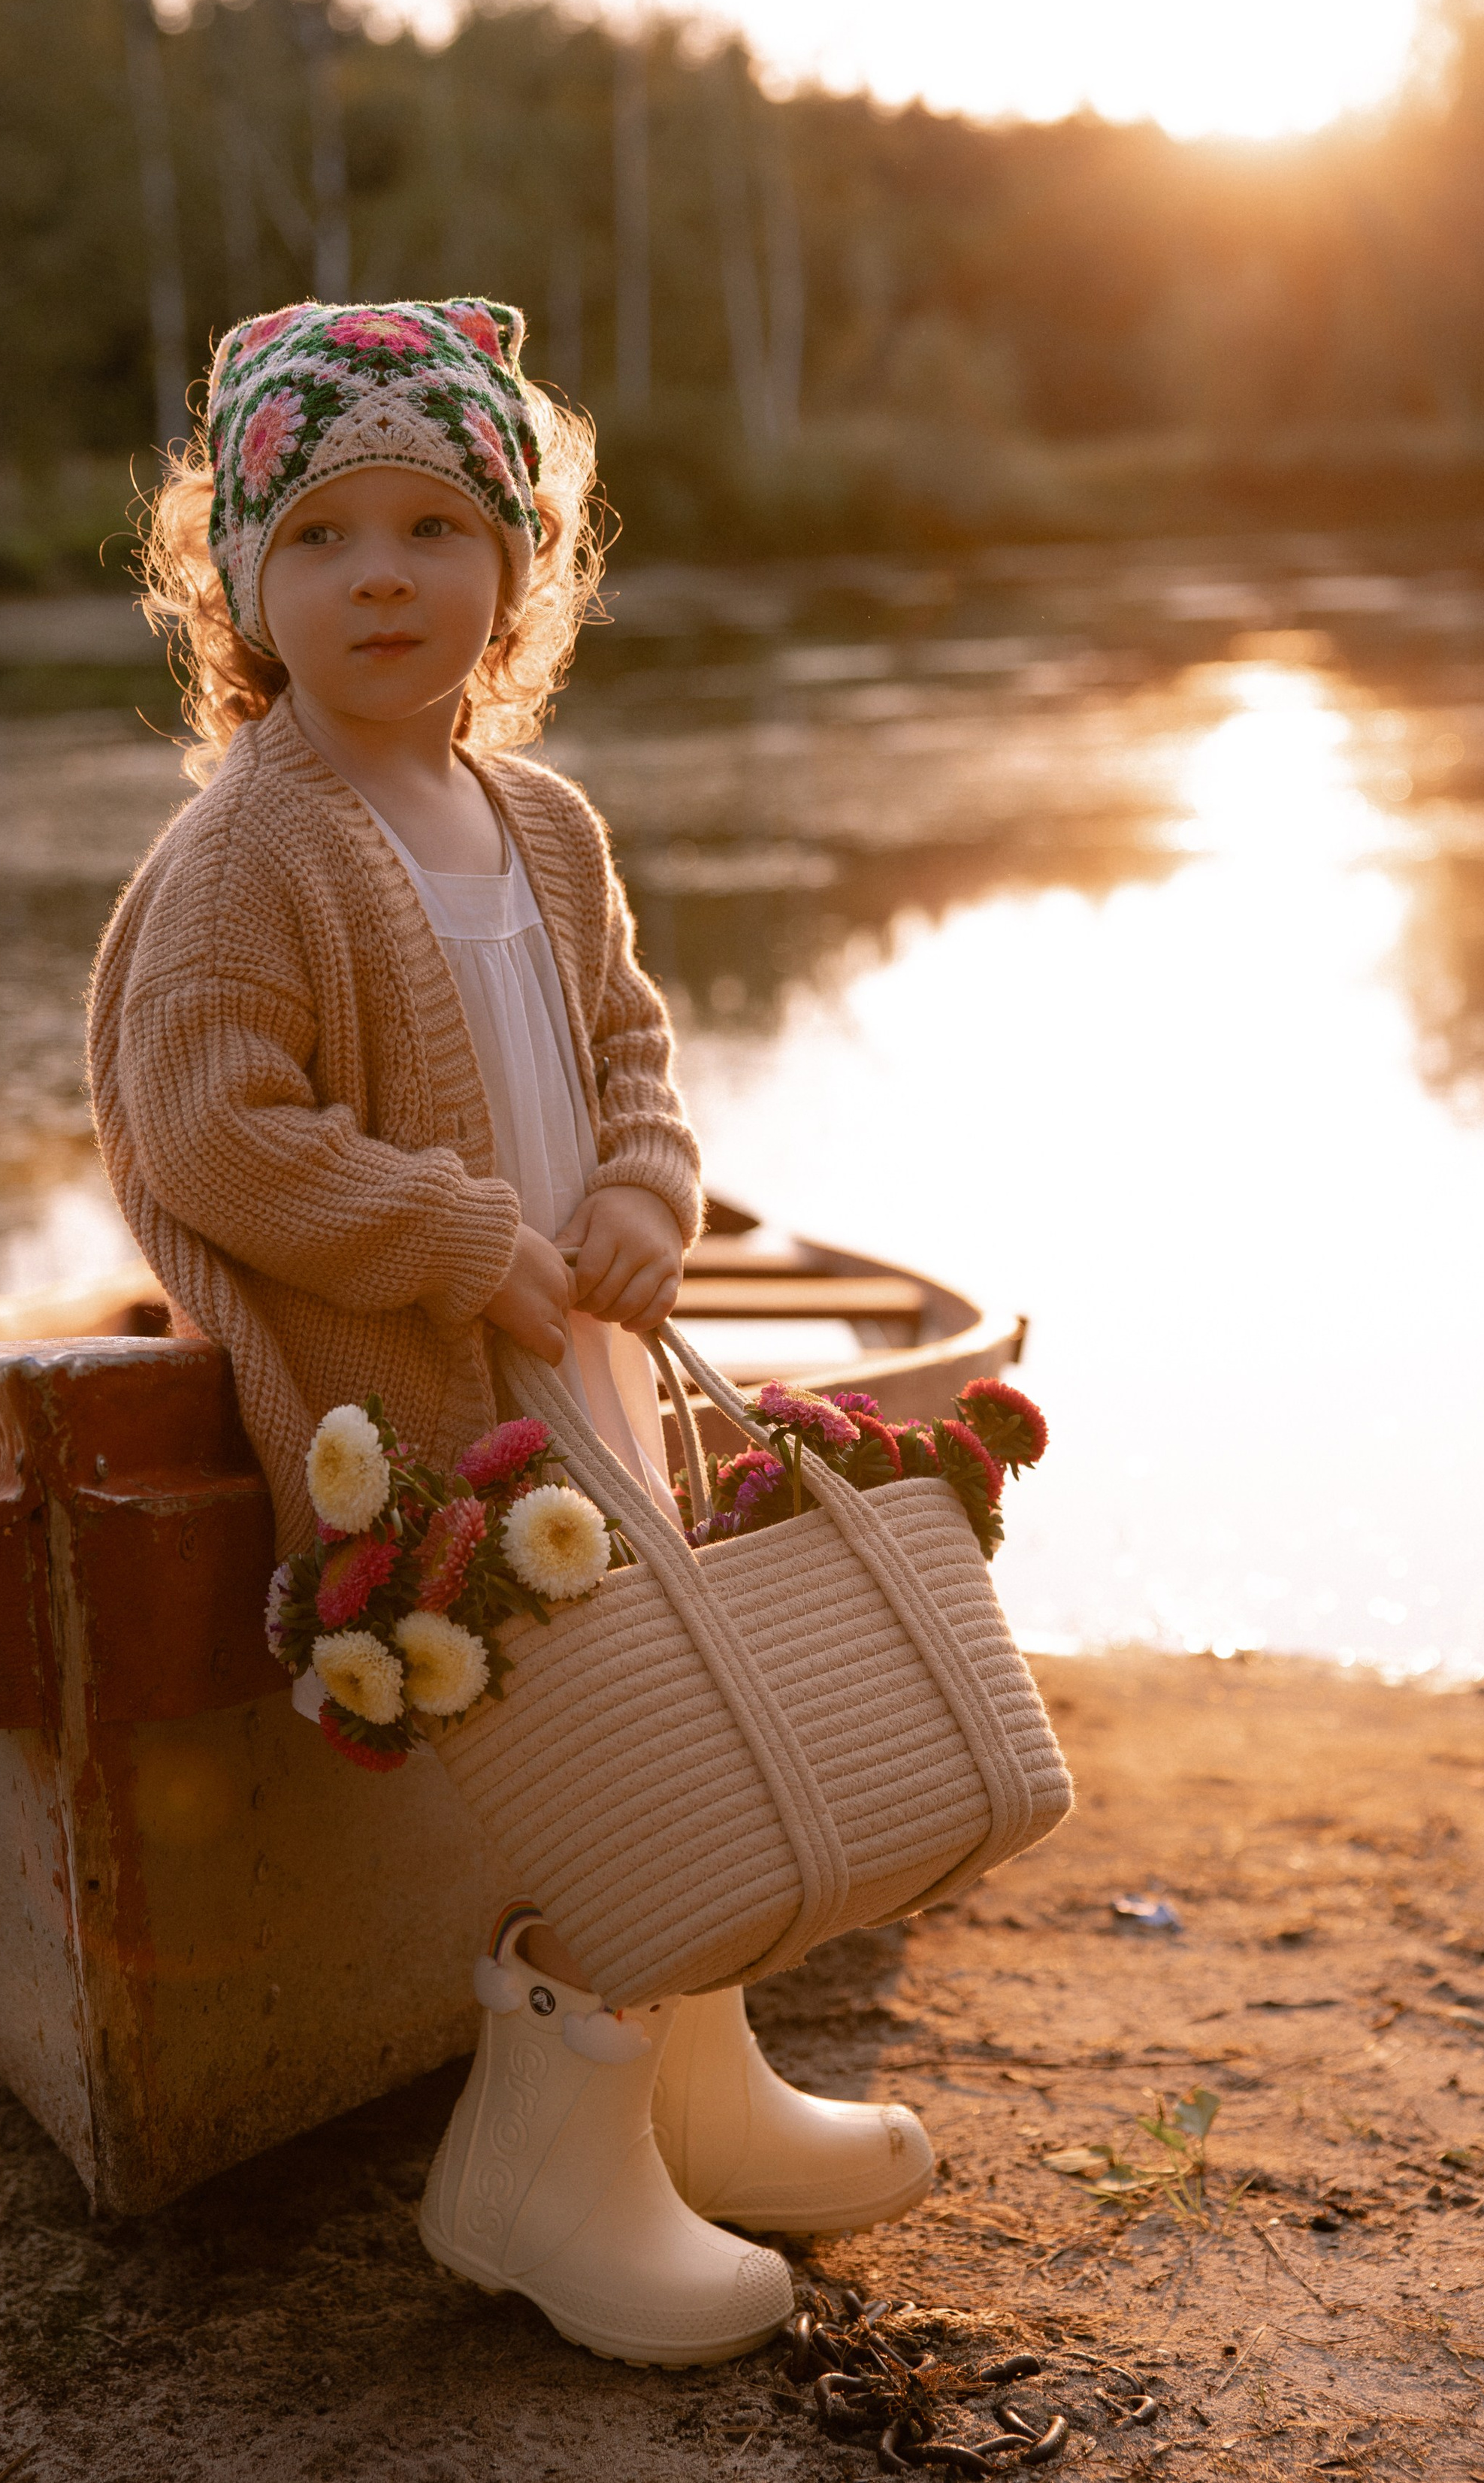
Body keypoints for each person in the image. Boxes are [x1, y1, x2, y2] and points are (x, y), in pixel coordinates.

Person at [86, 298, 932, 2367]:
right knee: (596, 1763)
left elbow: (633, 1051)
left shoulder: (545, 827)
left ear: (519, 564)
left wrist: (643, 1190)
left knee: (684, 1716)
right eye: (321, 537)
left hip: (587, 1367)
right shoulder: (252, 853)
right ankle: (539, 2178)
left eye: (433, 529)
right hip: (428, 1400)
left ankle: (696, 2089)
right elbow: (208, 1124)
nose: (380, 578)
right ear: (243, 585)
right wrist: (458, 1235)